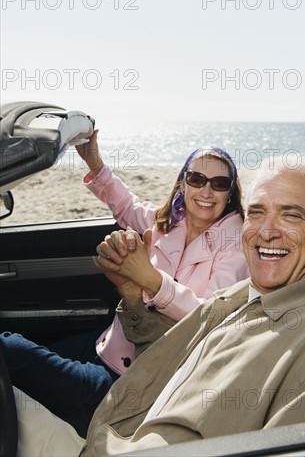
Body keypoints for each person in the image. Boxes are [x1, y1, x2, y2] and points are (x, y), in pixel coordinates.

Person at [12, 158, 305, 457]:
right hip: (114, 431)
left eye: (291, 214)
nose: (265, 231)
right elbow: (172, 358)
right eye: (257, 212)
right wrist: (134, 296)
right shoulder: (245, 295)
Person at [0, 133, 249, 438]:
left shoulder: (235, 245)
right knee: (13, 370)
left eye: (219, 183)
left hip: (131, 382)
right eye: (197, 178)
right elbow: (125, 204)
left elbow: (208, 316)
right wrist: (93, 160)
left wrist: (151, 280)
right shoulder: (169, 223)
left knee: (9, 349)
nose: (206, 190)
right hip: (106, 344)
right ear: (183, 184)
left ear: (229, 194)